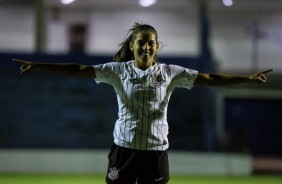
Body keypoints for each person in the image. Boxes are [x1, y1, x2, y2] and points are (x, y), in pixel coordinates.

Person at [13, 22, 272, 184]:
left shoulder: (170, 73)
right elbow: (80, 69)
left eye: (151, 42)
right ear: (133, 46)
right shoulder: (117, 70)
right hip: (123, 151)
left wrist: (247, 78)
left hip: (156, 152)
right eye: (141, 42)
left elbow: (210, 78)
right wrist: (40, 65)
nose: (146, 47)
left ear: (157, 46)